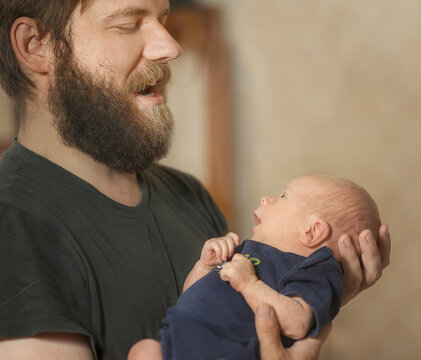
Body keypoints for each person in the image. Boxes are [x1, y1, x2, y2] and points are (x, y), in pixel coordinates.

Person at [0, 0, 391, 359]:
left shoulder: (188, 195)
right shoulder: (11, 226)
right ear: (35, 45)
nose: (170, 46)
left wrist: (318, 296)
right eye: (129, 24)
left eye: (163, 19)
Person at [128, 175, 381, 360]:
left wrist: (249, 284)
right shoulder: (248, 250)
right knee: (143, 351)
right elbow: (189, 299)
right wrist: (205, 266)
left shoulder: (313, 270)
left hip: (226, 352)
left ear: (312, 231)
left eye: (283, 196)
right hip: (176, 343)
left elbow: (298, 322)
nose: (266, 199)